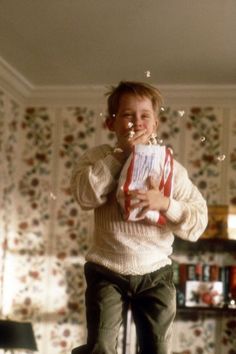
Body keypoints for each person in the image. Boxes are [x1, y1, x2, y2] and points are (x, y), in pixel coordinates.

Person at [70, 81, 208, 354]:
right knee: (101, 346)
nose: (137, 122)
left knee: (157, 348)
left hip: (155, 272)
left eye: (145, 115)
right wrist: (120, 156)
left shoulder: (171, 169)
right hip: (106, 268)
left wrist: (166, 204)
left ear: (155, 124)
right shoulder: (98, 157)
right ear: (111, 124)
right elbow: (85, 196)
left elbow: (198, 224)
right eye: (128, 115)